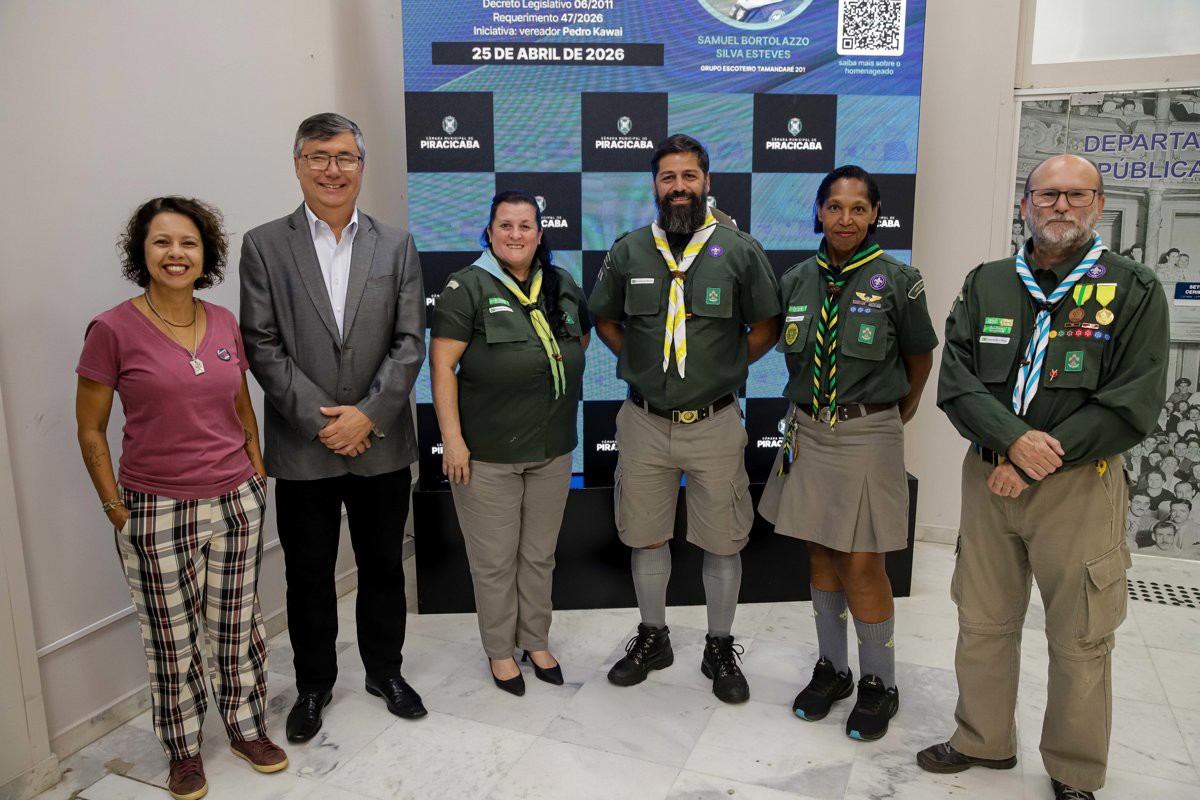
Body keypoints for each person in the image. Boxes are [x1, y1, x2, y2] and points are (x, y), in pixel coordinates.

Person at [925, 154, 1168, 799]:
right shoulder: (988, 283)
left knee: (1081, 634)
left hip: (1077, 487)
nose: (1061, 206)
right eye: (1047, 194)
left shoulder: (1134, 289)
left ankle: (1073, 768)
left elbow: (1134, 401)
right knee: (982, 619)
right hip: (989, 483)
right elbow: (957, 382)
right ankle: (982, 739)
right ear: (1025, 204)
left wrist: (1035, 457)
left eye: (1076, 195)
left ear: (1099, 204)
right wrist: (1011, 444)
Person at [76, 197, 287, 800]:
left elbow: (239, 400)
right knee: (171, 639)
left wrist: (256, 467)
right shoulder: (112, 329)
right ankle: (184, 749)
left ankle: (247, 728)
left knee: (239, 626)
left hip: (235, 501)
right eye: (162, 242)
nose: (176, 254)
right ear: (141, 251)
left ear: (205, 253)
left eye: (189, 243)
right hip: (154, 507)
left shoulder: (222, 321)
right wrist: (115, 507)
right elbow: (90, 427)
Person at [239, 113, 428, 742]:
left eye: (345, 157)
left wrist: (368, 415)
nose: (332, 169)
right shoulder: (265, 245)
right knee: (309, 576)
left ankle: (385, 672)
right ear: (298, 165)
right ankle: (314, 684)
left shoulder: (396, 245)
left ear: (361, 167)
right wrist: (324, 423)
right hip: (304, 447)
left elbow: (409, 341)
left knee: (383, 568)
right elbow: (261, 343)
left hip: (381, 441)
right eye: (319, 157)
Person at [588, 133, 781, 704]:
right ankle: (654, 637)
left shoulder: (740, 250)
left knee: (723, 542)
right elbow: (605, 319)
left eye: (689, 176)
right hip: (644, 421)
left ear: (707, 182)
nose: (679, 187)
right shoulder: (629, 251)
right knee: (646, 536)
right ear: (655, 185)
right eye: (668, 177)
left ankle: (719, 645)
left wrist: (723, 369)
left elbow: (767, 326)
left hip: (715, 422)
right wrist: (642, 367)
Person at [758, 165, 938, 741]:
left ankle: (879, 681)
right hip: (808, 431)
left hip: (866, 432)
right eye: (835, 206)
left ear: (875, 214)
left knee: (862, 563)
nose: (845, 218)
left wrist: (895, 414)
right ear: (818, 211)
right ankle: (832, 669)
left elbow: (919, 358)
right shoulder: (795, 280)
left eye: (859, 208)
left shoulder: (900, 280)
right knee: (819, 552)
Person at [429, 190, 590, 695]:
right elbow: (441, 366)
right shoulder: (466, 286)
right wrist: (452, 440)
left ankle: (535, 640)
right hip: (487, 455)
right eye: (505, 225)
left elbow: (578, 343)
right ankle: (500, 650)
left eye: (525, 226)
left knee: (539, 556)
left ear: (540, 234)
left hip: (552, 448)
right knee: (495, 562)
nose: (515, 234)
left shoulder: (562, 284)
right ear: (490, 232)